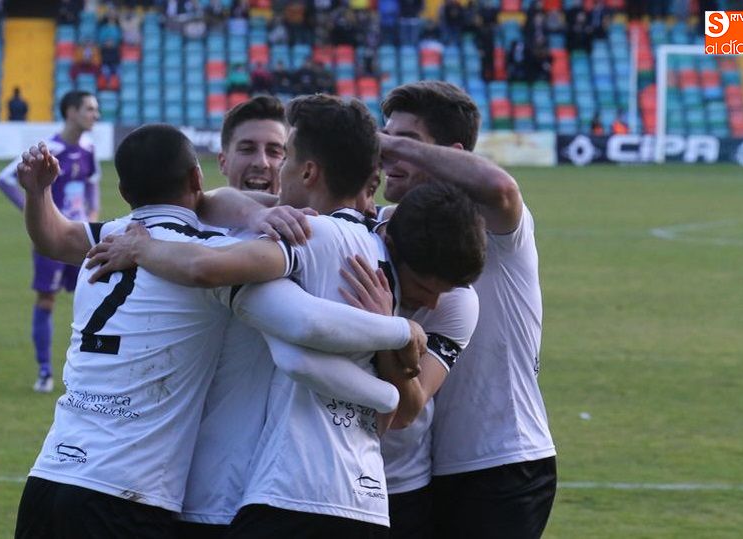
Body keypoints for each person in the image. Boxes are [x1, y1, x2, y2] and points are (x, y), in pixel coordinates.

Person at [84, 95, 487, 537]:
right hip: (367, 500)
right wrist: (392, 345)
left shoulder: (310, 235)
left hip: (289, 494)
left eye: (285, 155)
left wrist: (143, 247)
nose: (276, 168)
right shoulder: (381, 250)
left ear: (308, 170)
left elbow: (209, 269)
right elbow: (393, 409)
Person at [14, 125, 428, 539]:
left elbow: (54, 237)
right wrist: (397, 329)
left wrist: (38, 193)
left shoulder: (110, 238)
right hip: (123, 492)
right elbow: (304, 322)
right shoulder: (209, 255)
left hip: (49, 476)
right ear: (199, 177)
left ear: (123, 191)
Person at [379, 80, 556, 538]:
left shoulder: (494, 226)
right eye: (385, 134)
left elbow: (498, 185)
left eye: (407, 142)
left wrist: (381, 142)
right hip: (428, 468)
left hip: (502, 460)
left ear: (454, 155)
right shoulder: (392, 226)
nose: (387, 153)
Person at [0, 91, 101, 392]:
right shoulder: (48, 149)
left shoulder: (90, 148)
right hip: (53, 237)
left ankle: (89, 372)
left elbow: (91, 185)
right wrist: (37, 211)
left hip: (81, 237)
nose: (96, 115)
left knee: (94, 299)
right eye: (90, 109)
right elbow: (4, 179)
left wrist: (92, 215)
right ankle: (44, 371)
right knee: (47, 299)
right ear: (71, 112)